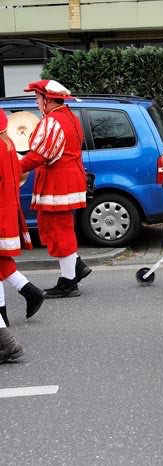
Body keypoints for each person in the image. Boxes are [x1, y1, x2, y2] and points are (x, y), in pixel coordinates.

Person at [19, 80, 92, 298]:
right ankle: (76, 267)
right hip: (66, 178)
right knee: (54, 226)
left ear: (48, 99)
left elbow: (40, 156)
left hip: (58, 182)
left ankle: (69, 282)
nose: (35, 101)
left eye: (37, 97)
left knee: (59, 229)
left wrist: (13, 166)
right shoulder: (69, 116)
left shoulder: (53, 120)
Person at [0, 109, 47, 328]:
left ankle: (3, 318)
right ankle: (30, 293)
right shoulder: (8, 146)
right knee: (1, 260)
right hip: (6, 210)